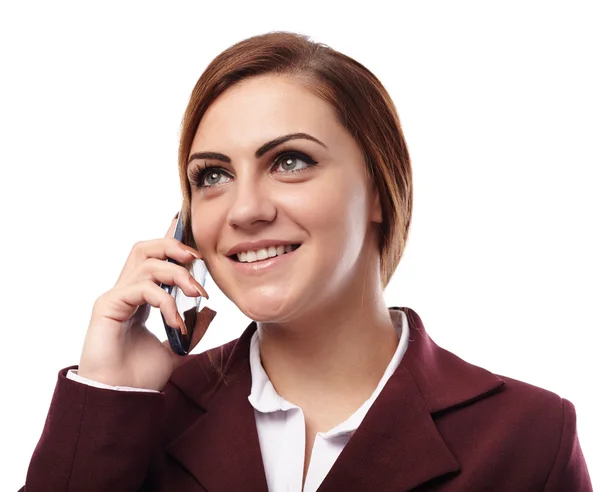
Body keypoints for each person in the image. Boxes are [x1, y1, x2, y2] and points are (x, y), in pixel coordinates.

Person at [20, 31, 592, 492]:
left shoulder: (526, 437)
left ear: (377, 188)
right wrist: (109, 393)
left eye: (290, 161)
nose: (244, 209)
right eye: (213, 176)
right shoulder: (137, 417)